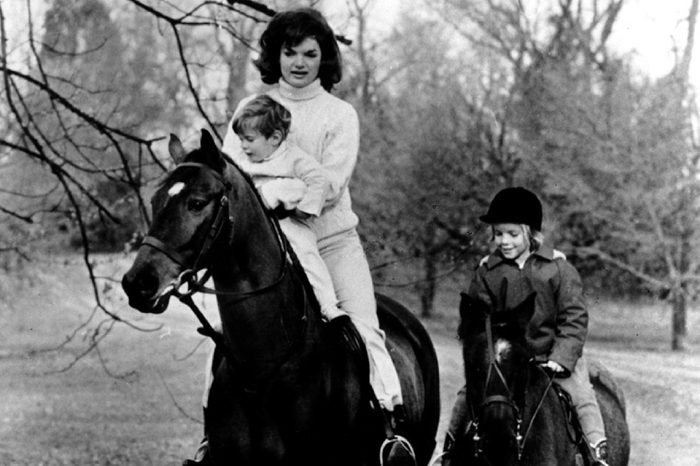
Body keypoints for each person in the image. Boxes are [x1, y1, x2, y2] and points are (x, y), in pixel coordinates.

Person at [185, 7, 414, 465]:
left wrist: (273, 196)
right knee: (228, 343)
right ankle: (213, 438)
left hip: (329, 243)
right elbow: (228, 177)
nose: (300, 62)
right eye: (290, 52)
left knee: (363, 330)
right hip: (262, 252)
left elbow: (330, 183)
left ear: (325, 58)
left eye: (311, 53)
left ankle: (391, 431)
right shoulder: (251, 109)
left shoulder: (340, 114)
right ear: (276, 54)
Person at [443, 187, 609, 466]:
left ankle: (597, 452)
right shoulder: (488, 272)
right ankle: (447, 451)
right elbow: (479, 322)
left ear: (530, 233)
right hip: (506, 362)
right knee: (465, 398)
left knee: (582, 396)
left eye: (512, 234)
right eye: (498, 234)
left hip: (551, 358)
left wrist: (561, 358)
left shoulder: (558, 269)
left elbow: (574, 318)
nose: (503, 241)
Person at [230, 93, 345, 322]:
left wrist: (306, 209)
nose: (243, 146)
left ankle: (328, 305)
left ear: (274, 138)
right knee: (235, 262)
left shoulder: (294, 158)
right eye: (241, 139)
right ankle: (234, 317)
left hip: (285, 221)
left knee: (306, 254)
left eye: (249, 139)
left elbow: (318, 180)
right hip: (255, 226)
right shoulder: (243, 161)